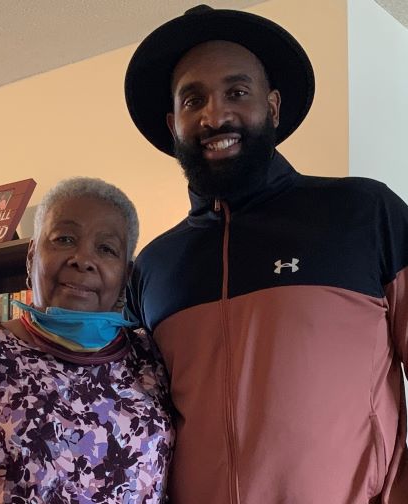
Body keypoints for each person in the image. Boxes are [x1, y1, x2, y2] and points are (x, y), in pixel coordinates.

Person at [124, 5, 408, 503]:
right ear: (173, 125)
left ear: (272, 107)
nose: (215, 115)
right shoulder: (153, 267)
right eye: (194, 100)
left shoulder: (363, 212)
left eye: (237, 92)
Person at [0, 177, 173, 503]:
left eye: (106, 248)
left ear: (126, 277)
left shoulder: (152, 362)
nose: (83, 259)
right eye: (64, 239)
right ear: (31, 256)